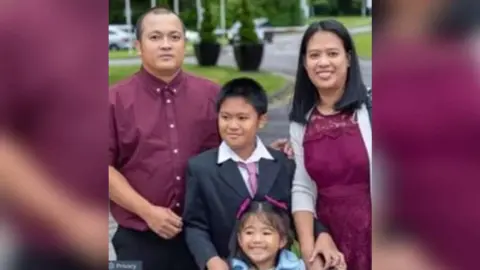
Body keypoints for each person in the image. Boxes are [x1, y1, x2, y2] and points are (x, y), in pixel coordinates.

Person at [109, 7, 290, 270]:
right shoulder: (113, 101)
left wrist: (264, 155)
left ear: (185, 42)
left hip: (208, 238)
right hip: (139, 235)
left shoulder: (211, 95)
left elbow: (233, 146)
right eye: (155, 37)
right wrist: (147, 211)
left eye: (174, 37)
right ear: (138, 45)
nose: (166, 45)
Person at [183, 77, 339, 270]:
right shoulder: (201, 168)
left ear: (262, 120)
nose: (232, 126)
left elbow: (298, 209)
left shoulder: (283, 164)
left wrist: (321, 234)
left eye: (242, 118)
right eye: (225, 117)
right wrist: (212, 261)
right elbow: (195, 225)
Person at [289, 20, 372, 270]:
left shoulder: (374, 107)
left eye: (332, 53)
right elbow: (302, 186)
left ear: (348, 59)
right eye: (314, 55)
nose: (323, 62)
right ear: (305, 63)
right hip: (329, 239)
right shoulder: (300, 121)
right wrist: (309, 250)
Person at [229, 199, 306, 270]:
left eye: (266, 233)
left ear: (282, 240)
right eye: (249, 232)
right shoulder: (229, 267)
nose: (257, 240)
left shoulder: (297, 267)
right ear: (239, 239)